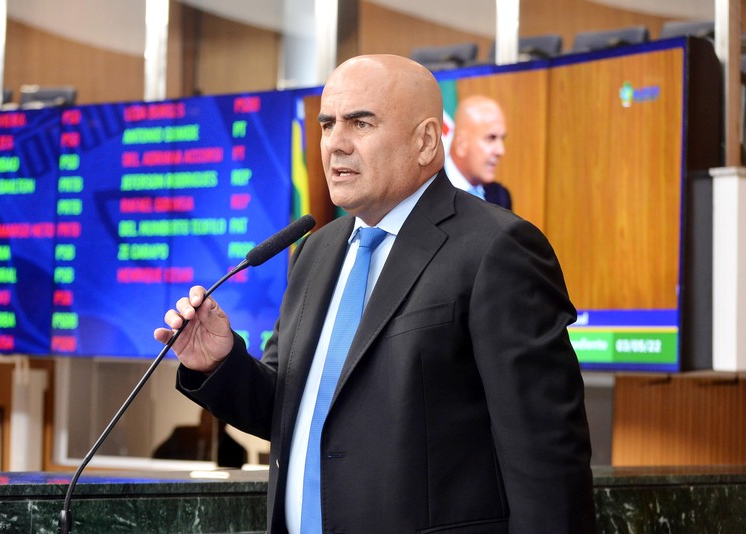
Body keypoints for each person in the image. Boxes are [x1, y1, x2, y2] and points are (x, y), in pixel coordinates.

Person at [155, 54, 596, 533]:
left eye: (360, 123)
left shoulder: (497, 248)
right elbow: (290, 412)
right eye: (328, 125)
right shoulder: (315, 251)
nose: (335, 144)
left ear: (425, 141)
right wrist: (221, 363)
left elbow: (546, 458)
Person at [445, 94, 513, 210]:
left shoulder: (500, 197)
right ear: (461, 143)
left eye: (502, 139)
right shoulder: (426, 192)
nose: (500, 151)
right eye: (491, 138)